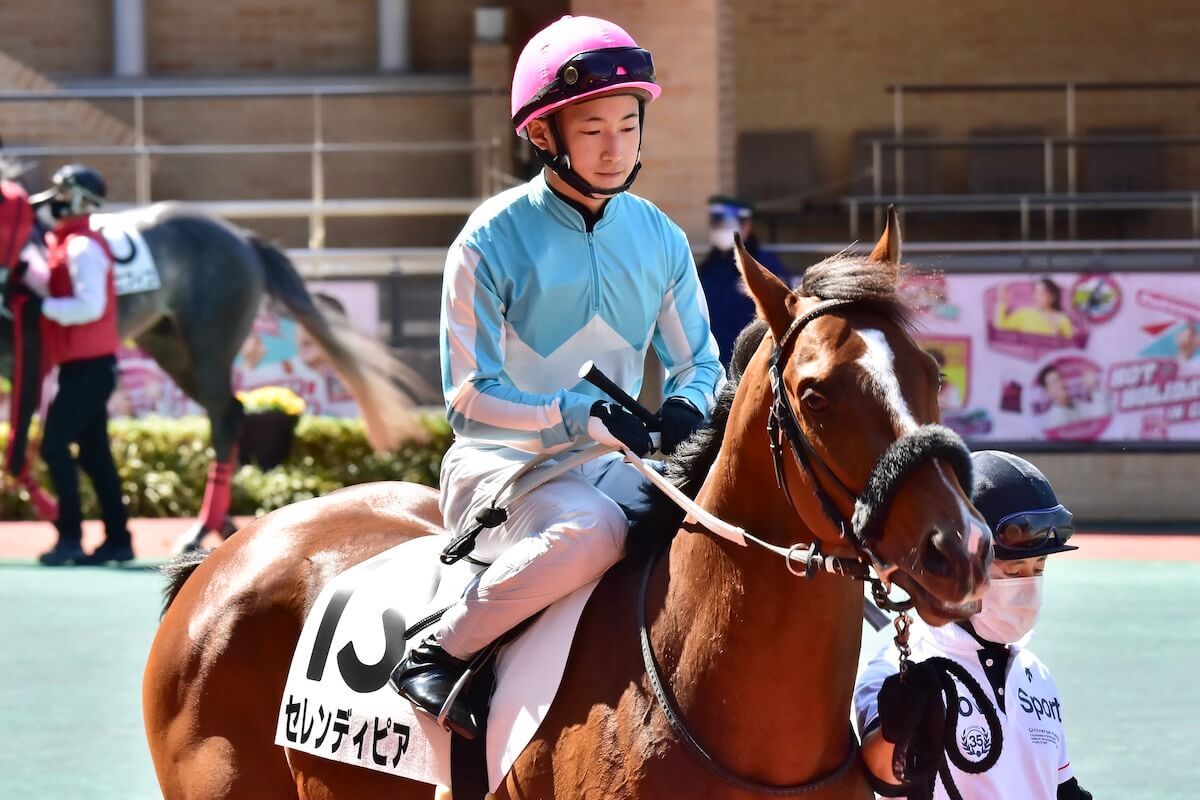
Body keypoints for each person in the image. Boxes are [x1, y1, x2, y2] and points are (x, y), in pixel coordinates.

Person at [388, 15, 724, 739]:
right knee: (598, 530)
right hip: (503, 467)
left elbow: (701, 362)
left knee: (718, 523)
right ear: (545, 135)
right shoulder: (489, 236)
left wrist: (689, 409)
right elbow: (467, 399)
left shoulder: (660, 235)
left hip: (616, 463)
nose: (615, 149)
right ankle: (438, 648)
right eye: (593, 128)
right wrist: (573, 416)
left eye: (628, 127)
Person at [854, 450, 1092, 800]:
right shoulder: (897, 670)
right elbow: (884, 777)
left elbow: (1062, 788)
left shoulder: (1035, 674)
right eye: (1013, 572)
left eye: (1038, 570)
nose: (1028, 585)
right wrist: (898, 726)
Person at [19, 164, 134, 565]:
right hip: (84, 367)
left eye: (63, 192)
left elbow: (90, 307)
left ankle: (70, 536)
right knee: (94, 455)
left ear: (81, 198)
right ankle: (119, 539)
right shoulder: (67, 241)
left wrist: (42, 306)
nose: (55, 199)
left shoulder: (82, 246)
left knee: (54, 445)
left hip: (89, 368)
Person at [697, 195, 789, 365]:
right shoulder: (707, 269)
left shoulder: (766, 267)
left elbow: (783, 314)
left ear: (746, 225)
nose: (719, 228)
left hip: (757, 364)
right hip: (716, 365)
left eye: (724, 223)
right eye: (715, 223)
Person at [995, 278, 1074, 337]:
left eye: (1041, 293)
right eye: (1036, 292)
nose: (1037, 296)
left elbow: (1071, 344)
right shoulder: (1024, 314)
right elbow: (1001, 327)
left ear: (1052, 296)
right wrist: (1002, 300)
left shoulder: (1062, 319)